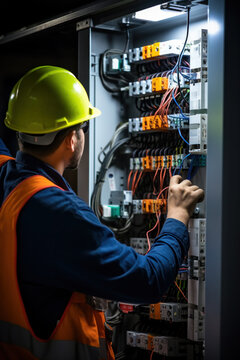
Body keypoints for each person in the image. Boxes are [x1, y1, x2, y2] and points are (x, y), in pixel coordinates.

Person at [0, 66, 204, 360]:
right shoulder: (60, 214)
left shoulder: (6, 176)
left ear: (21, 133)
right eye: (83, 128)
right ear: (72, 140)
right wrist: (177, 216)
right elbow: (149, 280)